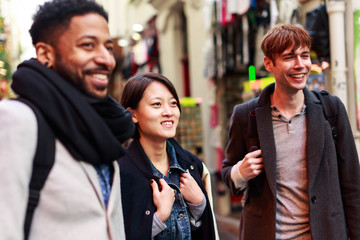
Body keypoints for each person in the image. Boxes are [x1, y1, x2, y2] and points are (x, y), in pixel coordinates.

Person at [0, 0, 135, 239]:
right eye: (88, 45)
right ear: (45, 54)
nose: (107, 60)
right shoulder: (18, 119)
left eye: (108, 47)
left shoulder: (104, 129)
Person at [222, 24, 360, 240]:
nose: (300, 65)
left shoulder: (330, 109)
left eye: (304, 55)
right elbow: (228, 174)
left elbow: (352, 185)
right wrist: (240, 172)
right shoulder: (246, 115)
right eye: (289, 57)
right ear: (269, 63)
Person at [118, 72, 217, 240]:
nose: (168, 112)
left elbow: (206, 233)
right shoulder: (119, 172)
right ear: (133, 114)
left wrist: (199, 206)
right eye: (157, 104)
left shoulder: (192, 165)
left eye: (173, 103)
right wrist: (158, 218)